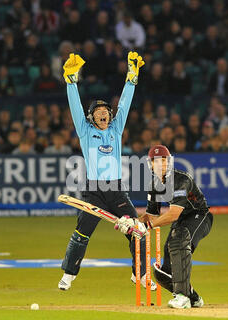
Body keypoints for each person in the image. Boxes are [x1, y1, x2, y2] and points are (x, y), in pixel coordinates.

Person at [58, 51, 157, 292]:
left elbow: (125, 102)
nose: (103, 113)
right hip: (94, 192)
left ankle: (141, 275)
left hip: (116, 192)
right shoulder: (84, 130)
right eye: (98, 112)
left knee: (138, 233)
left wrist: (131, 77)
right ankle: (69, 275)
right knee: (81, 234)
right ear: (91, 117)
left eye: (106, 111)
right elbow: (75, 108)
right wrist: (71, 81)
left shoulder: (115, 129)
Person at [115, 145, 213, 309]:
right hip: (181, 222)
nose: (161, 164)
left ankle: (182, 297)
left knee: (179, 240)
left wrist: (146, 225)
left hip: (199, 216)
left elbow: (173, 214)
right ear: (150, 164)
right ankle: (194, 298)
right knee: (162, 274)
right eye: (156, 161)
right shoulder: (154, 185)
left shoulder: (182, 180)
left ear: (169, 162)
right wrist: (131, 222)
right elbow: (151, 215)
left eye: (164, 161)